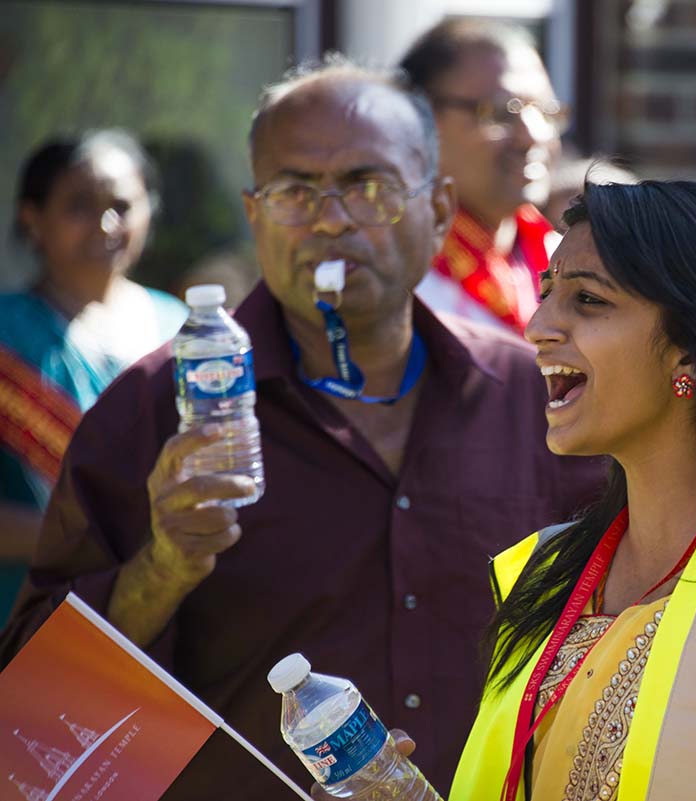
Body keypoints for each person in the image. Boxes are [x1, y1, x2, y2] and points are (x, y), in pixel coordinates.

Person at [0, 59, 604, 799]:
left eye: (368, 186)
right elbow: (36, 727)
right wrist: (162, 567)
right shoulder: (156, 410)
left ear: (440, 210)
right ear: (255, 216)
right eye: (295, 192)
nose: (330, 219)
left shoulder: (532, 398)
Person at [325, 178, 696, 801]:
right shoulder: (543, 574)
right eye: (547, 293)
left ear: (691, 351)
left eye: (588, 300)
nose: (539, 325)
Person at [0, 131, 186, 622]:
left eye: (122, 205)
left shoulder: (183, 328)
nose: (106, 225)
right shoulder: (6, 335)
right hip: (33, 620)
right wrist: (100, 537)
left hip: (172, 620)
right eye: (79, 205)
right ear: (31, 218)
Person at [401, 18, 564, 332]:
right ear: (420, 120)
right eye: (501, 113)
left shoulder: (560, 258)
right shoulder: (394, 275)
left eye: (546, 111)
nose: (532, 137)